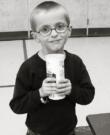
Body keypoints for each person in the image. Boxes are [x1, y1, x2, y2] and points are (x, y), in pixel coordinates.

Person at [9, 1, 95, 135]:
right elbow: (17, 105)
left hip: (67, 131)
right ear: (35, 37)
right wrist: (40, 93)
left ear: (69, 31)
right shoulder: (28, 68)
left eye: (60, 26)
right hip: (37, 132)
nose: (54, 34)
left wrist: (72, 90)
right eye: (45, 29)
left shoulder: (76, 63)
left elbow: (88, 95)